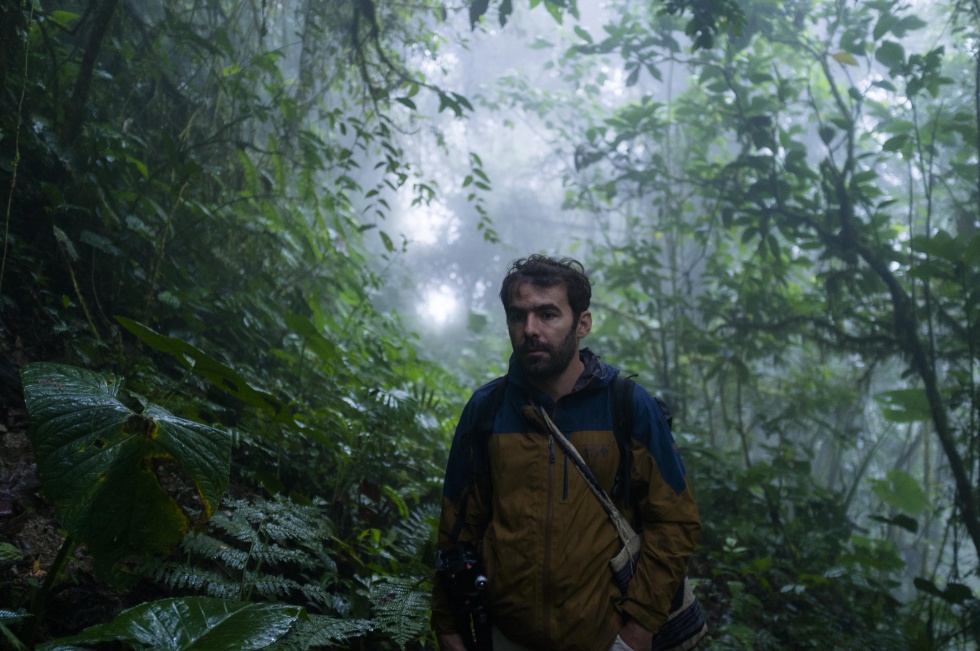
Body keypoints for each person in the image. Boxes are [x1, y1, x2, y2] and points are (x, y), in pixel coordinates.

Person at [431, 255, 701, 651]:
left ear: (582, 324)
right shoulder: (487, 410)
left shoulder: (627, 407)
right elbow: (456, 528)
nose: (530, 329)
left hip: (605, 638)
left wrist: (637, 632)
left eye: (548, 314)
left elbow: (675, 522)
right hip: (505, 636)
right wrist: (448, 625)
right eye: (518, 316)